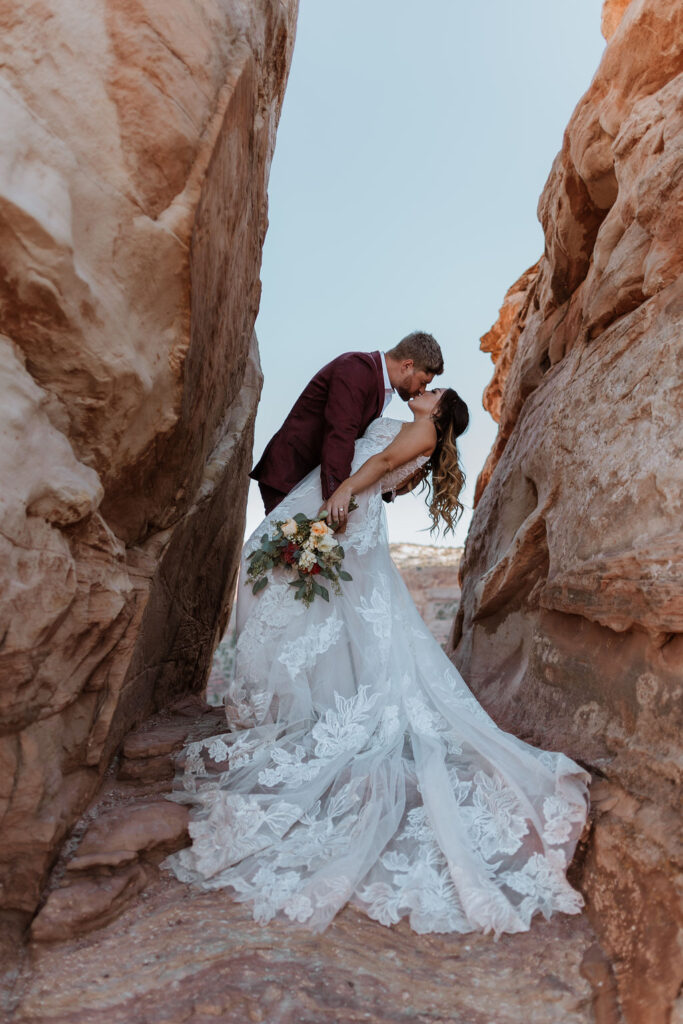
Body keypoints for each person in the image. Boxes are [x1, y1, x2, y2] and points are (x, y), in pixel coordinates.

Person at [161, 386, 591, 938]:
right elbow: (386, 465)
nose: (425, 390)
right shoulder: (422, 431)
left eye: (433, 390)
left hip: (349, 505)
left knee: (318, 609)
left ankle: (302, 703)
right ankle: (310, 698)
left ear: (439, 410)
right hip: (359, 517)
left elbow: (383, 462)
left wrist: (340, 491)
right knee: (337, 618)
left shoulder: (423, 430)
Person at [249, 331, 444, 515]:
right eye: (423, 381)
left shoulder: (379, 385)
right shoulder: (356, 369)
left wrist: (390, 485)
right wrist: (336, 498)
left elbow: (361, 448)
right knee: (287, 550)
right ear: (407, 365)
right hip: (291, 476)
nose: (422, 390)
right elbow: (340, 434)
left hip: (311, 482)